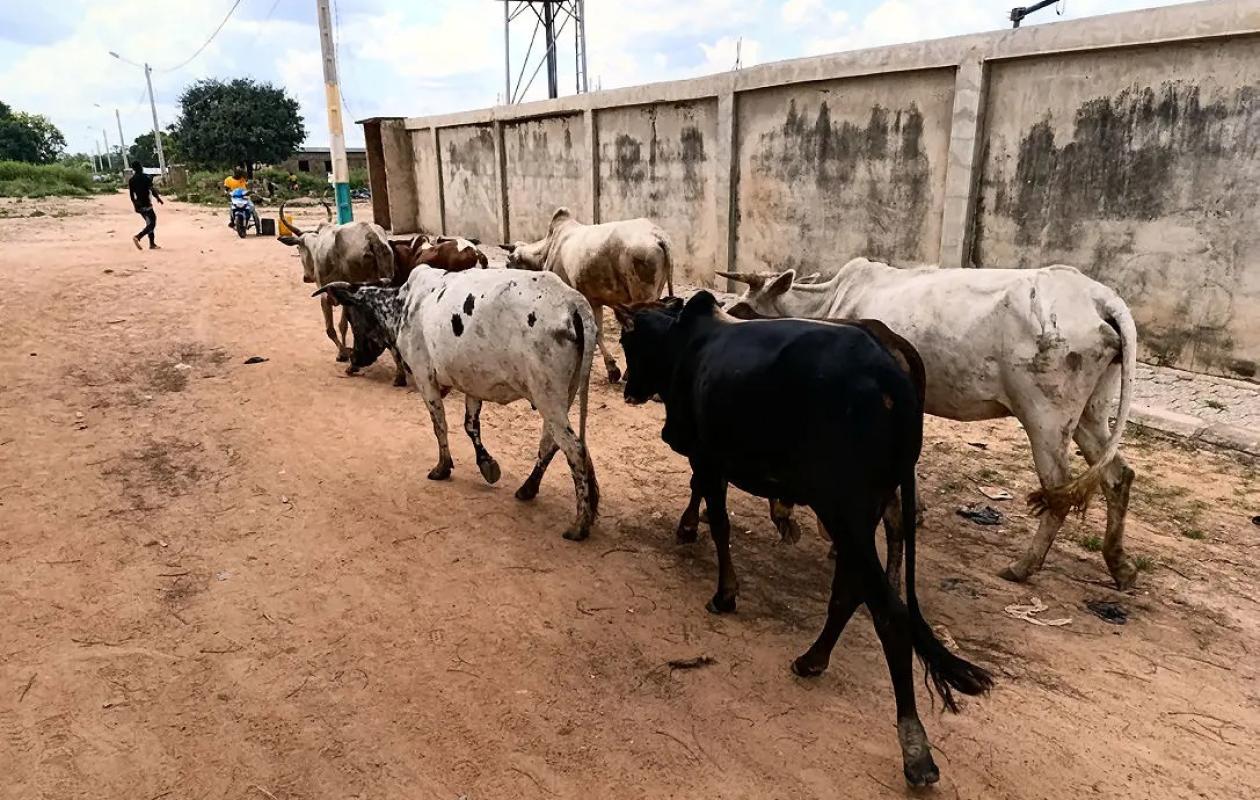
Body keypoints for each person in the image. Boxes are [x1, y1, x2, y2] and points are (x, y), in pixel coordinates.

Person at [128, 160, 163, 250]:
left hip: (139, 205)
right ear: (140, 167)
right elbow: (152, 189)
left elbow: (131, 195)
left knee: (149, 223)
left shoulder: (131, 180)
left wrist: (135, 205)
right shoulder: (146, 177)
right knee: (152, 223)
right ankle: (138, 236)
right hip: (146, 203)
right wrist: (158, 198)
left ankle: (152, 244)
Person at [223, 166, 259, 230]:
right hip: (235, 197)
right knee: (232, 208)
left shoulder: (243, 179)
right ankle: (232, 221)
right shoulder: (228, 179)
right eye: (239, 173)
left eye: (241, 173)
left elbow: (248, 184)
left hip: (244, 196)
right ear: (235, 173)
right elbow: (226, 188)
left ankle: (257, 227)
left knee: (251, 207)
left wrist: (251, 190)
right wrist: (226, 193)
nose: (239, 175)